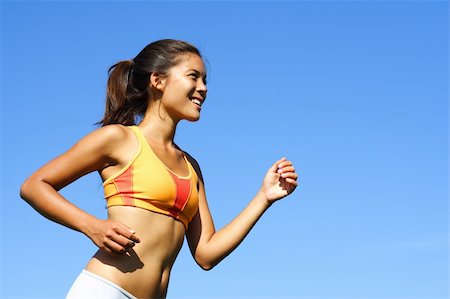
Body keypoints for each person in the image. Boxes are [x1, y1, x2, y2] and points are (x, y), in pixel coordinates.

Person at [20, 39, 298, 299]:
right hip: (105, 290)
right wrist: (92, 226)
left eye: (205, 80)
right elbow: (34, 186)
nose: (203, 87)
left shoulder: (191, 167)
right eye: (193, 76)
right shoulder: (119, 139)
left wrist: (263, 197)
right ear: (158, 81)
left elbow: (206, 254)